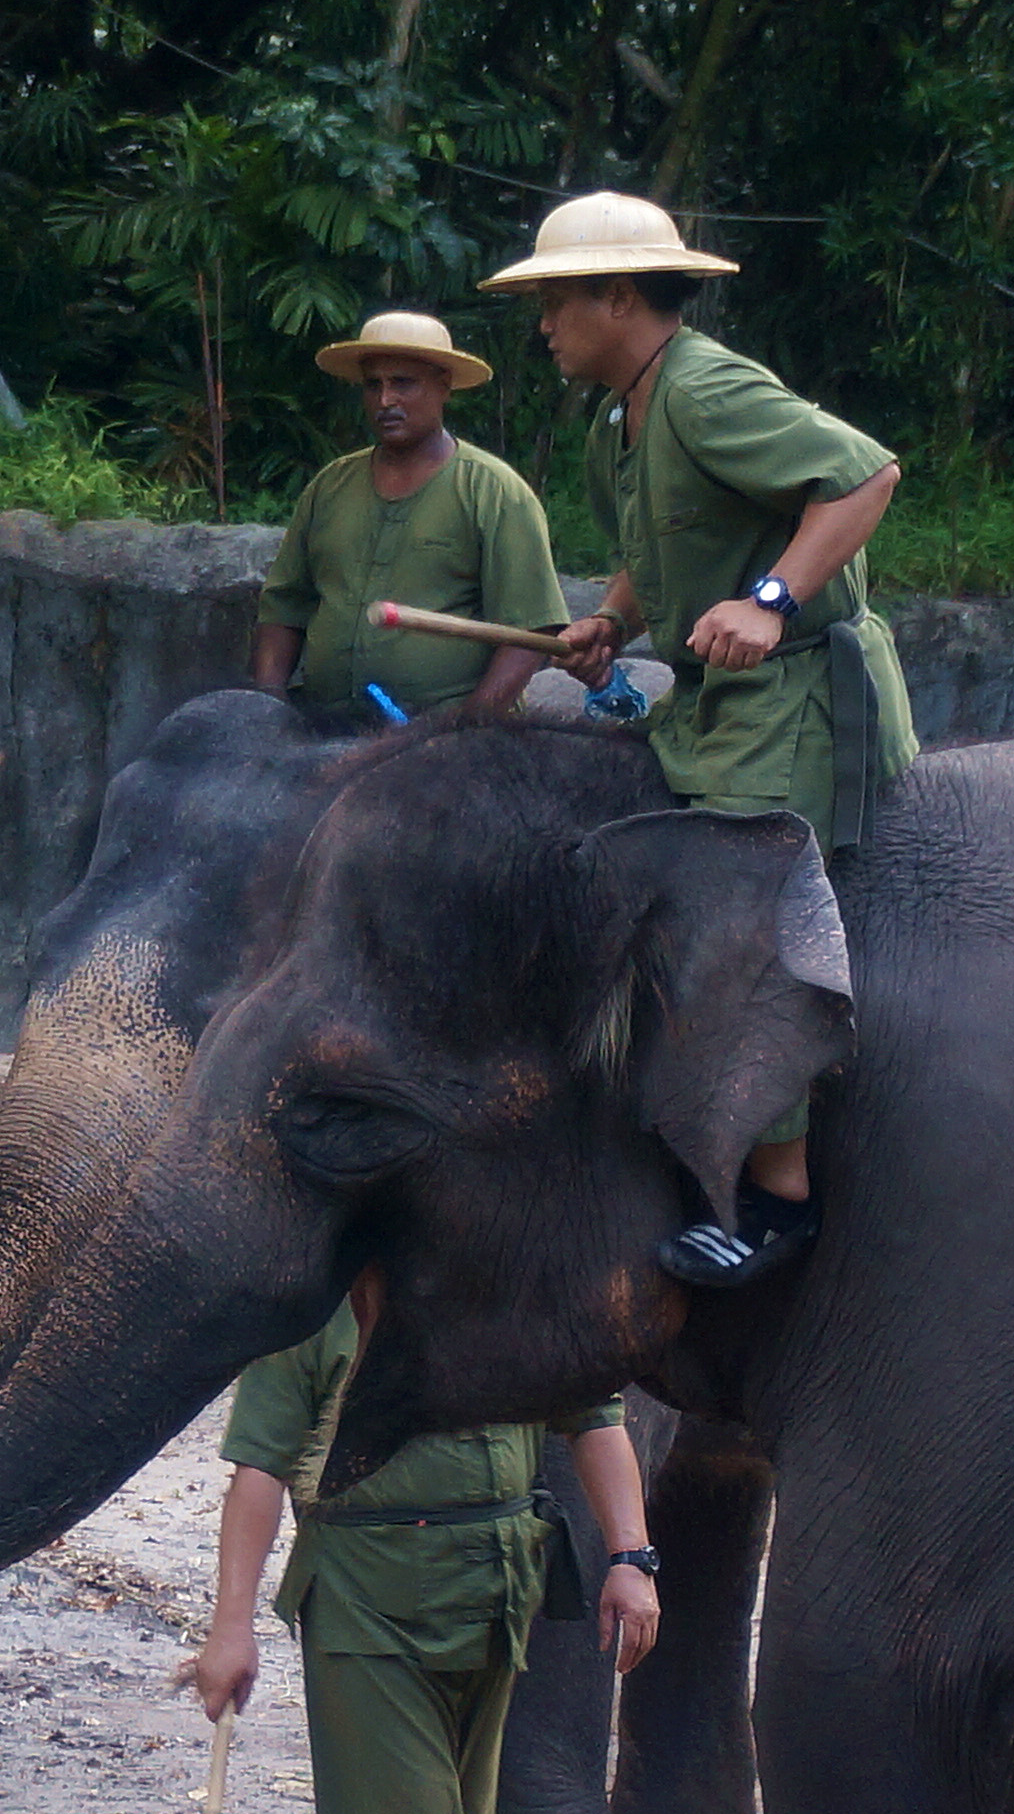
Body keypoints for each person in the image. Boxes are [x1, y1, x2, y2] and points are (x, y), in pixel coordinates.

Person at [481, 193, 915, 1287]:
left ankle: (779, 1197)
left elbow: (867, 473)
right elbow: (661, 543)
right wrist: (614, 621)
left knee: (740, 915)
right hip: (710, 707)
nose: (542, 327)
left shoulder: (707, 388)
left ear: (619, 299)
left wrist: (771, 597)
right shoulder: (619, 415)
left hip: (796, 703)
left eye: (556, 303)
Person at [175, 1274, 660, 1814]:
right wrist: (230, 1626)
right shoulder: (314, 1306)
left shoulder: (517, 1281)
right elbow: (259, 1472)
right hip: (365, 1601)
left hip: (494, 1593)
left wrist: (631, 1555)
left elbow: (595, 1420)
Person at [249, 310, 566, 733]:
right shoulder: (330, 486)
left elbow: (530, 629)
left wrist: (468, 727)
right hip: (325, 725)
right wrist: (268, 703)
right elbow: (285, 604)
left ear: (444, 385)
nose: (385, 401)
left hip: (442, 735)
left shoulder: (494, 491)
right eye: (373, 385)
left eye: (403, 383)